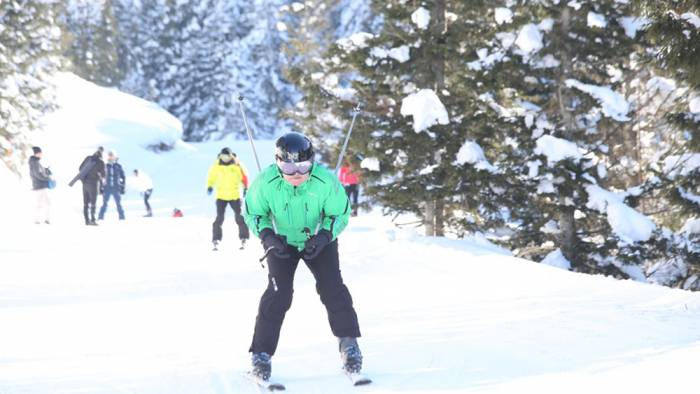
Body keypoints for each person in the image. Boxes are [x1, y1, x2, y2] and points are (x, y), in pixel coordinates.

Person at [244, 132, 363, 382]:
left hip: (318, 240)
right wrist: (267, 236)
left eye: (303, 165)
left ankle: (349, 345)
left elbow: (339, 214)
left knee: (332, 288)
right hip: (281, 242)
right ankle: (261, 354)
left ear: (312, 162)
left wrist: (325, 236)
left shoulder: (325, 182)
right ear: (277, 163)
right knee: (279, 294)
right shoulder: (265, 182)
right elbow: (254, 213)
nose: (296, 173)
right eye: (287, 166)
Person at [207, 147, 250, 250]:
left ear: (231, 156)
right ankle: (216, 239)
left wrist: (245, 188)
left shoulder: (237, 165)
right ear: (220, 156)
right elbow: (211, 176)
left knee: (239, 217)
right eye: (223, 156)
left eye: (227, 156)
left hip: (234, 195)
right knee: (219, 218)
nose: (225, 158)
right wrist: (210, 186)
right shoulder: (217, 165)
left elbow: (244, 177)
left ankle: (244, 237)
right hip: (221, 196)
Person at [77, 147, 105, 226]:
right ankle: (92, 220)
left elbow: (80, 168)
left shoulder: (88, 158)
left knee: (85, 203)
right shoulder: (101, 162)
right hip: (93, 184)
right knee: (93, 203)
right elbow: (103, 175)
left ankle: (86, 220)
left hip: (85, 183)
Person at [98, 150, 126, 221]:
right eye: (109, 155)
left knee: (118, 203)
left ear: (114, 157)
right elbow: (101, 178)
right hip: (107, 188)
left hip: (116, 188)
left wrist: (122, 187)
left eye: (112, 155)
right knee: (104, 203)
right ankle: (100, 217)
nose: (111, 157)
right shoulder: (105, 166)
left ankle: (122, 217)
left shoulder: (118, 166)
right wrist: (100, 188)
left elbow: (123, 177)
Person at [28, 146, 52, 224]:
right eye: (40, 153)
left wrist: (46, 171)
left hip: (40, 185)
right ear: (37, 153)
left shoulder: (35, 162)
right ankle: (39, 219)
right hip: (39, 186)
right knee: (42, 203)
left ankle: (44, 219)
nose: (41, 154)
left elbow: (40, 172)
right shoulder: (34, 162)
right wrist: (48, 178)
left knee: (44, 203)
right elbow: (37, 174)